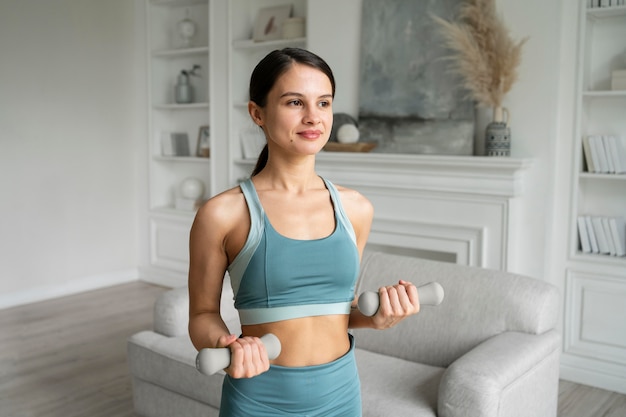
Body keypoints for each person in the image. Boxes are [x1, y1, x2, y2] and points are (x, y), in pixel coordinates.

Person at [188, 47, 420, 417]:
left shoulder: (356, 209)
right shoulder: (222, 214)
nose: (313, 117)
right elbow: (201, 314)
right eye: (295, 102)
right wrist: (226, 345)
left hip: (341, 395)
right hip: (259, 399)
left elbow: (337, 309)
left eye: (324, 103)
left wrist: (377, 317)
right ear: (257, 113)